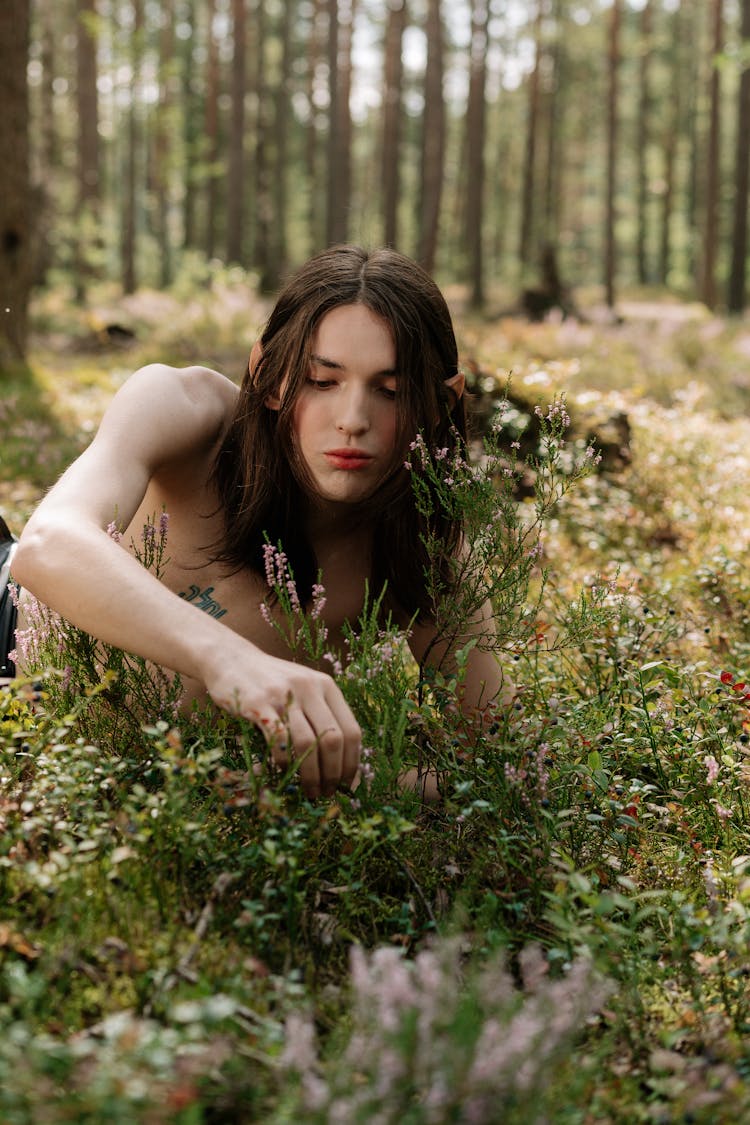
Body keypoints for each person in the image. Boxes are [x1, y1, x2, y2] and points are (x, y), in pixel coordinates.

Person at [10, 245, 505, 798]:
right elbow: (47, 544)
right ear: (267, 375)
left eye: (390, 392)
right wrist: (229, 660)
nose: (352, 420)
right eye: (322, 381)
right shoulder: (186, 410)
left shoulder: (424, 552)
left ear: (440, 403)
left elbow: (497, 764)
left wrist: (334, 783)